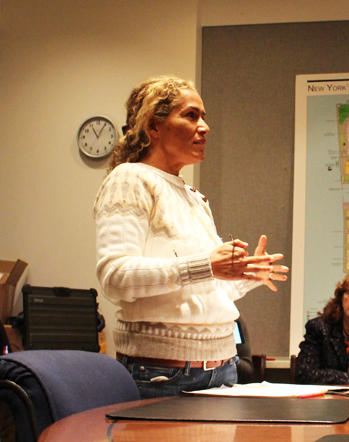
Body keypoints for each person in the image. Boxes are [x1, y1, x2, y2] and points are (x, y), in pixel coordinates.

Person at [93, 75, 288, 398]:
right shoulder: (130, 179)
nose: (205, 127)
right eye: (191, 115)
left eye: (204, 117)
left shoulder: (193, 196)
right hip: (165, 375)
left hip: (222, 369)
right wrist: (208, 266)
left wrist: (246, 274)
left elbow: (202, 289)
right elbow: (116, 278)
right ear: (154, 127)